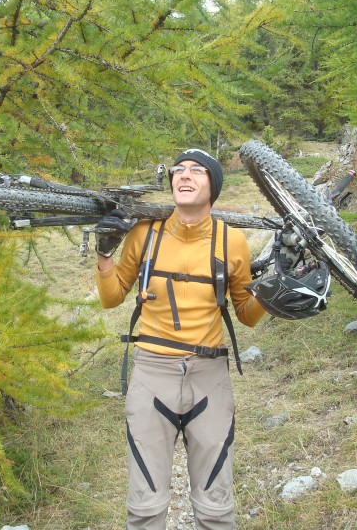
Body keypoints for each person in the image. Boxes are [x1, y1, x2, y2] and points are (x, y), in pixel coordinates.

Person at [94, 148, 266, 529]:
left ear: (214, 186)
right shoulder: (145, 234)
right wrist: (105, 253)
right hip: (152, 375)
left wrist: (274, 290)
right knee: (144, 507)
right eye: (178, 171)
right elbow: (111, 298)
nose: (184, 176)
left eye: (197, 171)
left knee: (216, 508)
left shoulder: (231, 241)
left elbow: (247, 314)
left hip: (210, 377)